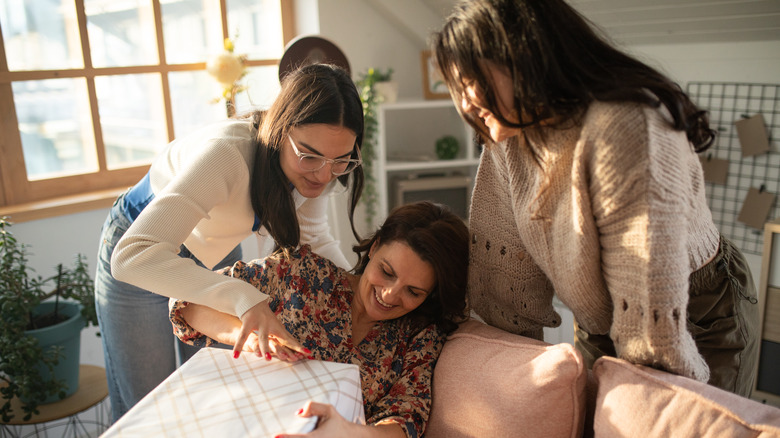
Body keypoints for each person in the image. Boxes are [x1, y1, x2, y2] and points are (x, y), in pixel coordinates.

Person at [430, 0, 759, 396]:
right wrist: (506, 373)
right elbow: (503, 270)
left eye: (470, 79)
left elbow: (649, 323)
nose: (464, 102)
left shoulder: (627, 125)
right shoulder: (508, 137)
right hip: (599, 315)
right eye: (456, 85)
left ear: (522, 58)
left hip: (692, 306)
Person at [94, 63, 366, 422]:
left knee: (210, 399)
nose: (323, 174)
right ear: (281, 129)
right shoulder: (228, 154)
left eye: (340, 160)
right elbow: (131, 257)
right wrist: (241, 296)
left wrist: (361, 290)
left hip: (212, 253)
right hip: (144, 250)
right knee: (147, 408)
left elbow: (315, 238)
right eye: (310, 156)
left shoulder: (320, 166)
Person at [169, 201, 469, 438]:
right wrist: (251, 338)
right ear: (375, 247)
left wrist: (350, 434)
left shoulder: (419, 336)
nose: (390, 295)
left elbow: (406, 419)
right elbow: (187, 300)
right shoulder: (300, 273)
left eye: (413, 291)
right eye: (387, 272)